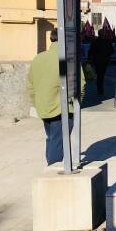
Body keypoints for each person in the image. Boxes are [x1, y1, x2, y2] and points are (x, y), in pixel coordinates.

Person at [28, 29, 85, 166]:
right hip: (63, 108)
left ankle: (52, 167)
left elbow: (30, 86)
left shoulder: (38, 58)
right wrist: (76, 103)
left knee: (51, 139)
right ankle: (53, 171)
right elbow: (81, 84)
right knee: (57, 141)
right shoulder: (69, 58)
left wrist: (38, 103)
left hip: (44, 108)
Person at [87, 31, 114, 97]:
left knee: (99, 75)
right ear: (103, 34)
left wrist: (89, 58)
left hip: (97, 61)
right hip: (104, 61)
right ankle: (100, 88)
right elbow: (112, 50)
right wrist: (107, 55)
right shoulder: (107, 41)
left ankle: (99, 88)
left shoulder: (95, 41)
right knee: (101, 75)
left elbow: (90, 51)